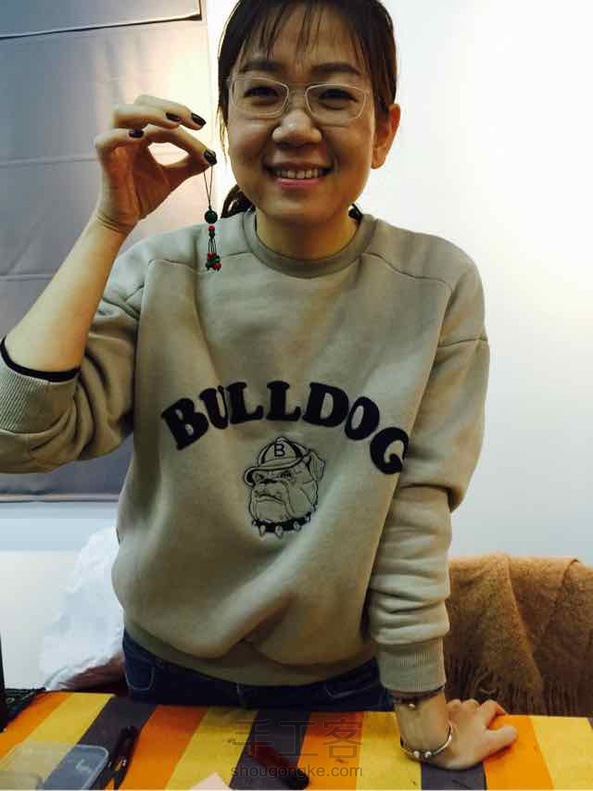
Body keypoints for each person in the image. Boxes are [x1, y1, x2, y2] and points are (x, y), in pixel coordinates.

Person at [0, 0, 517, 771]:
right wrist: (110, 223)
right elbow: (18, 440)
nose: (296, 126)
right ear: (224, 117)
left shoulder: (434, 285)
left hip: (342, 683)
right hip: (164, 673)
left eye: (334, 94)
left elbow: (414, 519)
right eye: (264, 92)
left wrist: (424, 718)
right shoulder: (162, 272)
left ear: (383, 131)